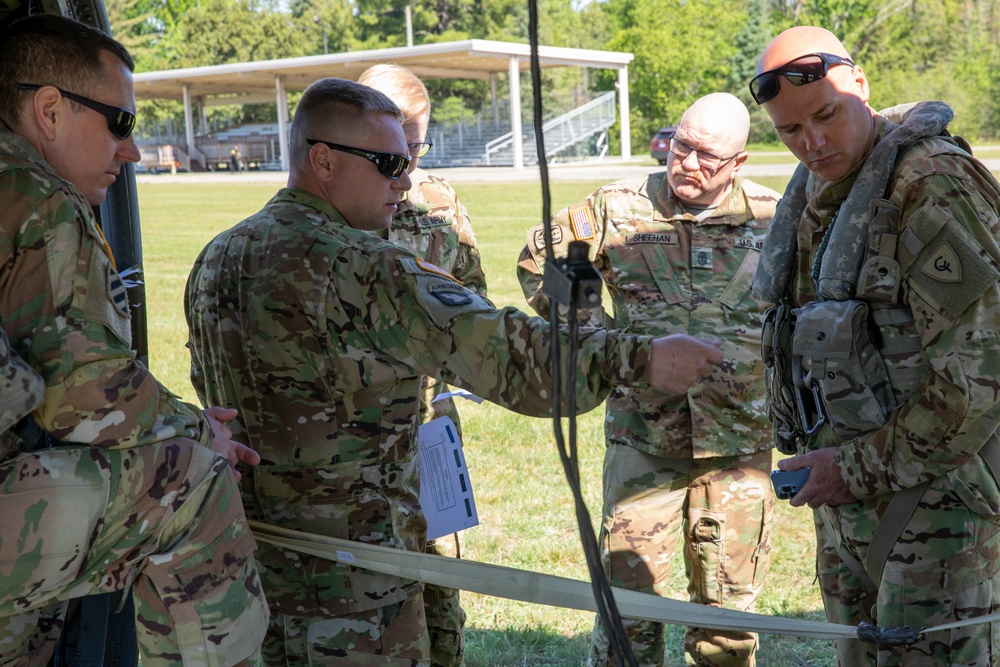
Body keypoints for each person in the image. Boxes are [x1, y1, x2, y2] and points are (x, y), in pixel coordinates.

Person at [183, 76, 725, 666]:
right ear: (323, 160)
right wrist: (642, 357)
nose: (406, 180)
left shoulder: (217, 257)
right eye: (388, 162)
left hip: (256, 575)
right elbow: (505, 352)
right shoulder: (364, 267)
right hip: (355, 593)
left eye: (408, 159)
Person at [0, 14, 267, 666]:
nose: (133, 150)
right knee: (190, 479)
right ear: (50, 110)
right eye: (119, 123)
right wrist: (203, 432)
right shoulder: (38, 197)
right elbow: (87, 397)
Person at [750, 26, 1000, 666]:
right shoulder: (817, 195)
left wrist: (850, 469)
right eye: (790, 131)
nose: (812, 143)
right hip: (848, 513)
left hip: (939, 519)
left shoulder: (930, 184)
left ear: (859, 86)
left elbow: (980, 378)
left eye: (826, 116)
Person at [517, 92, 780, 667]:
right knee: (628, 613)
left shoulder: (773, 216)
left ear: (738, 162)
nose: (687, 162)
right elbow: (546, 258)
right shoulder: (619, 207)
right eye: (681, 145)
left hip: (738, 446)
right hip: (644, 436)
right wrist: (604, 339)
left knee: (728, 617)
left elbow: (811, 307)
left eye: (706, 155)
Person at [357, 63, 483, 667]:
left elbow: (474, 297)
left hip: (426, 428)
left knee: (439, 583)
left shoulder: (437, 203)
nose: (406, 166)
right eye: (394, 148)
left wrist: (452, 396)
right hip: (352, 441)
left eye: (417, 146)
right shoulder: (326, 210)